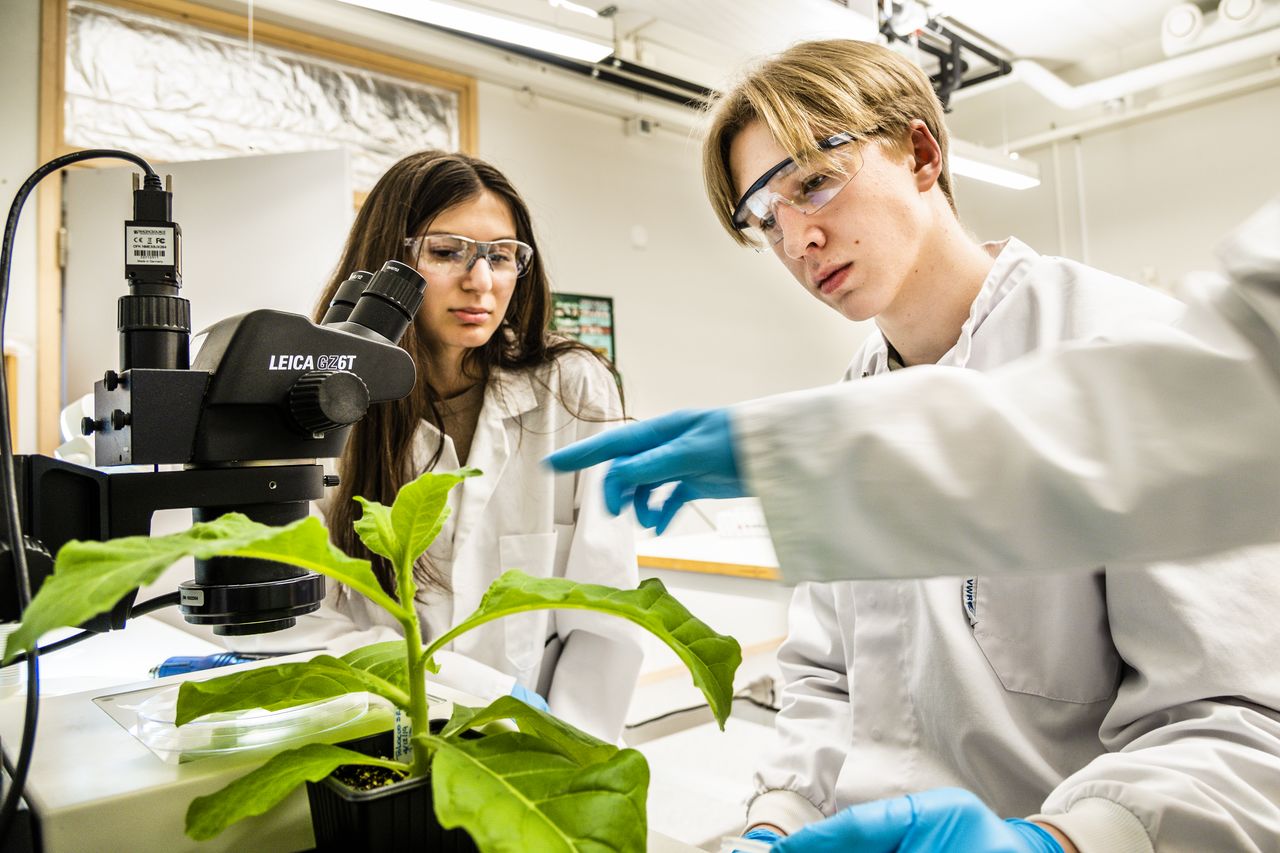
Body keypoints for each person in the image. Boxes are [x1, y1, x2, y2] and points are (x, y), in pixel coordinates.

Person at [550, 40, 1280, 852]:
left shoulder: (1121, 343)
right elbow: (825, 677)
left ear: (922, 153)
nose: (798, 241)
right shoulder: (857, 400)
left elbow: (1235, 726)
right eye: (767, 218)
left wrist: (1056, 841)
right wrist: (775, 820)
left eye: (815, 182)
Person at [254, 150, 642, 743]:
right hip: (375, 732)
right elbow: (293, 616)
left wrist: (569, 748)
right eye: (446, 252)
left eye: (503, 256)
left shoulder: (571, 389)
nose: (481, 281)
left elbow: (605, 603)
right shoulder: (320, 402)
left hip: (536, 736)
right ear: (388, 263)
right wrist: (465, 689)